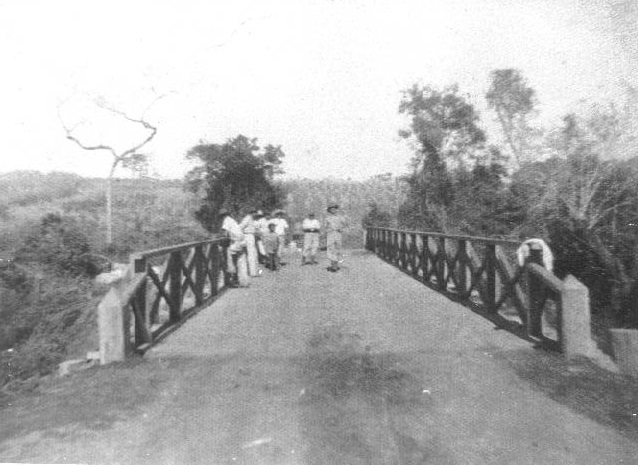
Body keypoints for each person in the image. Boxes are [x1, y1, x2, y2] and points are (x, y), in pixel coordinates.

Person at [219, 209, 249, 287]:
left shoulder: (226, 221)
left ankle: (234, 281)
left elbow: (225, 233)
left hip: (235, 243)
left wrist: (221, 240)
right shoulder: (232, 220)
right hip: (241, 242)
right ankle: (243, 281)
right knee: (241, 262)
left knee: (231, 262)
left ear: (223, 216)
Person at [325, 204, 347, 272]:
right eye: (331, 209)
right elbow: (325, 227)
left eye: (334, 209)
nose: (333, 210)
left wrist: (341, 229)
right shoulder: (327, 218)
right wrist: (328, 230)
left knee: (338, 249)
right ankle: (333, 266)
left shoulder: (340, 217)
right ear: (329, 211)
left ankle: (336, 265)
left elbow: (345, 224)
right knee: (331, 249)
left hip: (338, 234)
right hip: (331, 234)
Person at [239, 208, 261, 277]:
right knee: (251, 254)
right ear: (252, 212)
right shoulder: (247, 218)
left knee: (253, 254)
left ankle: (254, 271)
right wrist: (242, 235)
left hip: (251, 236)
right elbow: (240, 227)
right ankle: (252, 272)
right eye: (255, 213)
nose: (256, 215)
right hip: (247, 236)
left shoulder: (251, 219)